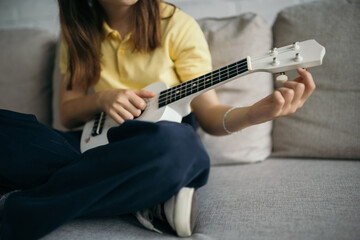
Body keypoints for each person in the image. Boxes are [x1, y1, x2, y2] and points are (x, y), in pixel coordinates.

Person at [0, 0, 316, 239]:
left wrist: (255, 114)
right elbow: (68, 112)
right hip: (93, 143)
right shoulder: (81, 31)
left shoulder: (177, 26)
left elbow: (209, 117)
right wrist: (102, 98)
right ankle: (145, 199)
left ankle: (18, 211)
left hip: (156, 146)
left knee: (181, 147)